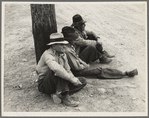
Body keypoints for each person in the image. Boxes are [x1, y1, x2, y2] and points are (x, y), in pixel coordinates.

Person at [61, 26, 138, 79]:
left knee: (90, 49)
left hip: (77, 64)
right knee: (99, 70)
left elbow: (76, 58)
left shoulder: (69, 45)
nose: (75, 41)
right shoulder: (67, 50)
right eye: (73, 40)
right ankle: (125, 73)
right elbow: (76, 68)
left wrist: (84, 63)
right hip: (75, 71)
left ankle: (103, 59)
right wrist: (86, 66)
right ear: (68, 40)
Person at [36, 32, 87, 107]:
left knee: (82, 81)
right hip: (45, 84)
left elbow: (68, 70)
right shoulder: (47, 54)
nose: (64, 46)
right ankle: (65, 97)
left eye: (64, 44)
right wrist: (71, 79)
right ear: (53, 46)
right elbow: (57, 69)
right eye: (61, 44)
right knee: (59, 72)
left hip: (58, 82)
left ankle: (57, 93)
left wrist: (73, 79)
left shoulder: (63, 54)